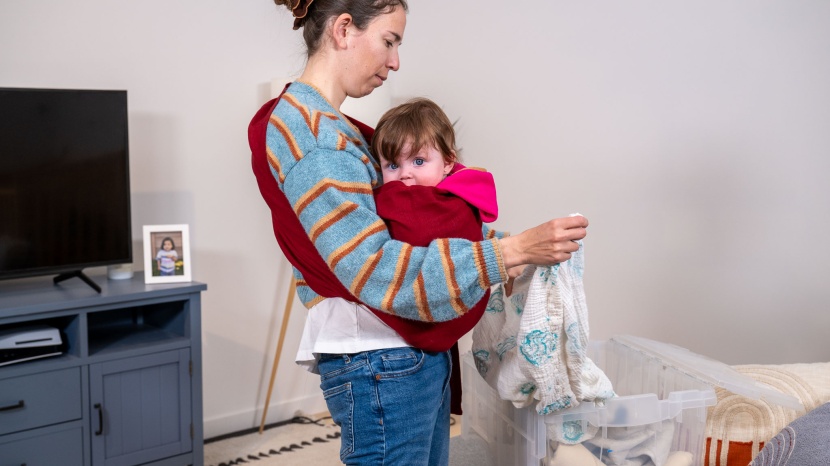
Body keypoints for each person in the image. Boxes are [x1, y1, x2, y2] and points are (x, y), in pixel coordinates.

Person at [249, 1, 588, 464]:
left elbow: (404, 233)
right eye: (389, 41)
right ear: (344, 29)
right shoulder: (315, 139)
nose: (395, 61)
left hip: (397, 356)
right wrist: (510, 252)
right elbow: (378, 270)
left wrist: (504, 250)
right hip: (381, 362)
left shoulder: (333, 128)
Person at [371, 96, 501, 414]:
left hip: (441, 305)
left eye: (418, 161)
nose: (404, 175)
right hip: (422, 312)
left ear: (448, 162)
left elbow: (427, 229)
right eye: (392, 165)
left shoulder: (451, 202)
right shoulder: (443, 192)